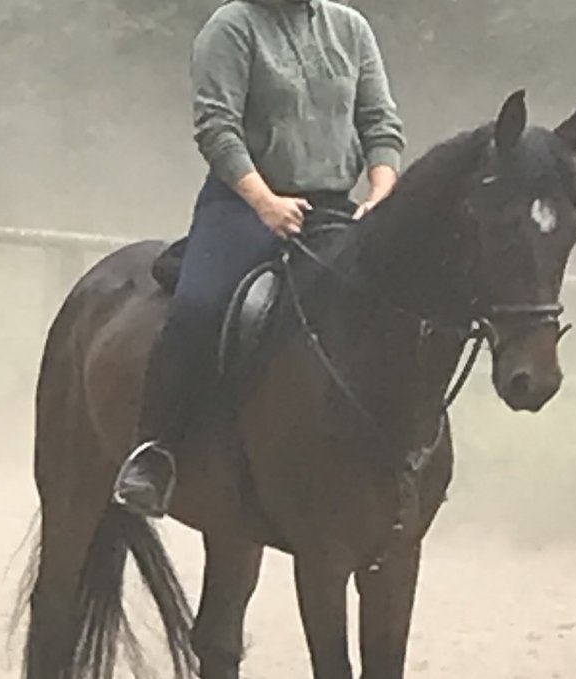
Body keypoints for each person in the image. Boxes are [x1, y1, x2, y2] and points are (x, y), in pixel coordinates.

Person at [110, 0, 405, 517]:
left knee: (390, 309)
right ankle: (154, 452)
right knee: (200, 306)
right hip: (243, 206)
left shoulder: (350, 28)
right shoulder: (232, 27)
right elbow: (217, 127)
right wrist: (265, 201)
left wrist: (381, 191)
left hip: (334, 208)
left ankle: (394, 452)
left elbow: (379, 122)